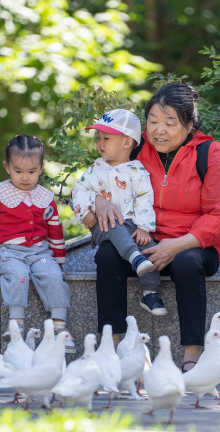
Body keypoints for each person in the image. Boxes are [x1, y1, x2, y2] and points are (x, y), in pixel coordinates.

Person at [90, 83, 220, 371]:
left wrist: (176, 244)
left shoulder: (208, 152)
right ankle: (111, 349)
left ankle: (192, 355)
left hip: (191, 244)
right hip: (143, 241)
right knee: (106, 257)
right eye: (153, 121)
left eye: (170, 123)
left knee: (186, 263)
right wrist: (98, 201)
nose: (159, 130)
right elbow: (97, 177)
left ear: (189, 124)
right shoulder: (135, 147)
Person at [0, 135, 73, 352]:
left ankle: (60, 326)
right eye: (18, 171)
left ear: (41, 168)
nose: (24, 177)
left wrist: (59, 263)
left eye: (31, 172)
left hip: (40, 251)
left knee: (52, 276)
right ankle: (16, 322)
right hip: (9, 252)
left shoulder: (45, 197)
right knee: (18, 274)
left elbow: (55, 232)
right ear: (7, 167)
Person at [71, 108, 165, 316]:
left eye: (106, 138)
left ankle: (150, 293)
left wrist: (143, 227)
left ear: (126, 142)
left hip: (131, 224)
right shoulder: (96, 170)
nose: (100, 143)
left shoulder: (137, 171)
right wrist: (87, 209)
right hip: (103, 227)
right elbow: (78, 191)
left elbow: (144, 198)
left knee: (151, 249)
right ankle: (134, 257)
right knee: (113, 225)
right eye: (98, 138)